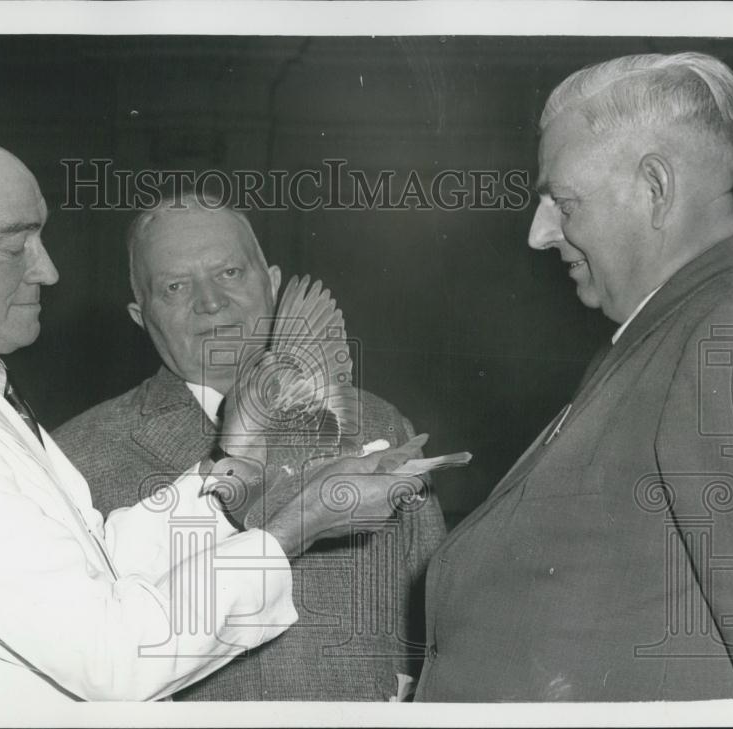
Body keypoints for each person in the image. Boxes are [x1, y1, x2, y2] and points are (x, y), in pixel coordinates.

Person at [0, 128, 424, 701]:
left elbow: (96, 564)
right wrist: (296, 527)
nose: (48, 270)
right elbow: (115, 657)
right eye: (16, 245)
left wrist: (237, 467)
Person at [415, 52, 733, 702]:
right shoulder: (658, 335)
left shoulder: (727, 336)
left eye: (563, 202)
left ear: (655, 189)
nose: (540, 234)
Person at [53, 192, 447, 701]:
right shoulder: (76, 458)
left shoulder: (379, 422)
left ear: (273, 283)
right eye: (175, 286)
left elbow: (440, 624)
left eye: (230, 273)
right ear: (140, 315)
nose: (210, 302)